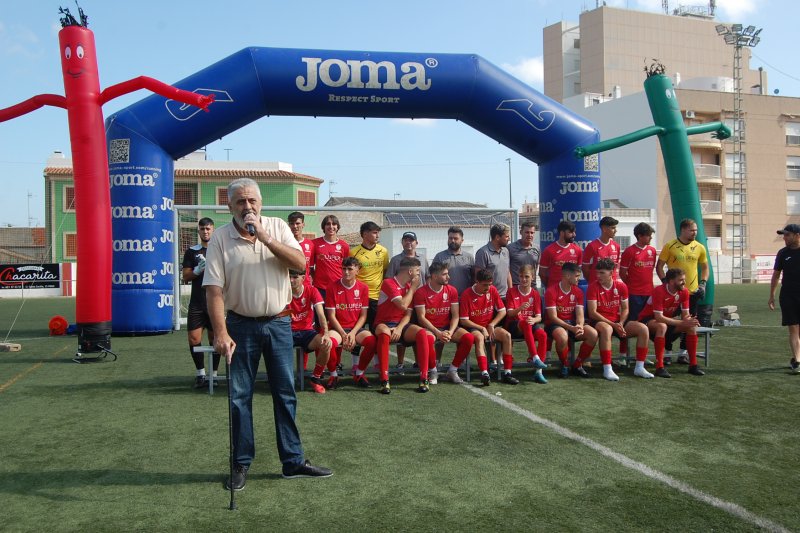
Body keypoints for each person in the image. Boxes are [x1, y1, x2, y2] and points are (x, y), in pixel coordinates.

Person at [203, 178, 331, 492]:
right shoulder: (220, 238)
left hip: (278, 323)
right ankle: (241, 464)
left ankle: (292, 461)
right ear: (229, 205)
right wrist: (220, 332)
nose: (248, 207)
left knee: (285, 394)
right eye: (241, 202)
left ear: (261, 203)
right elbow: (214, 291)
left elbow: (300, 263)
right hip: (240, 326)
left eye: (252, 202)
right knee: (239, 398)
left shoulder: (276, 227)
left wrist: (264, 237)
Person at [374, 257, 434, 394]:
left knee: (422, 333)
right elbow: (402, 305)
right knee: (384, 333)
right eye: (418, 271)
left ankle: (424, 377)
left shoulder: (408, 288)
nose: (419, 275)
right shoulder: (388, 283)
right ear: (410, 271)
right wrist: (413, 288)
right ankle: (384, 379)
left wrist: (399, 328)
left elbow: (407, 314)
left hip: (401, 324)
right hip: (383, 323)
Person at [587, 258, 654, 381]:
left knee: (643, 329)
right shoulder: (593, 287)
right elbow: (592, 313)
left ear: (611, 272)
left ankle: (639, 367)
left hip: (617, 321)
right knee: (606, 329)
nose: (598, 276)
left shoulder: (621, 286)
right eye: (597, 272)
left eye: (602, 273)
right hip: (600, 321)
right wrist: (613, 324)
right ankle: (607, 368)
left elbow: (625, 309)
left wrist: (621, 323)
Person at [413, 261, 477, 385]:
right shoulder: (421, 292)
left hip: (447, 327)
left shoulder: (451, 290)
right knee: (429, 339)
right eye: (445, 274)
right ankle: (433, 371)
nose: (448, 277)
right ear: (435, 276)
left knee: (468, 338)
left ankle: (452, 370)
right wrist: (437, 332)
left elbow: (455, 316)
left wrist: (450, 332)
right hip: (430, 328)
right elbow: (421, 318)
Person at [656, 218, 709, 362]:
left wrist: (703, 283)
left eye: (696, 230)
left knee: (689, 322)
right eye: (692, 230)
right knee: (669, 323)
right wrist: (665, 283)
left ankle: (682, 353)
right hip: (673, 293)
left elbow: (705, 267)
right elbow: (659, 266)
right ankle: (667, 352)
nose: (695, 233)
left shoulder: (700, 247)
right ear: (683, 230)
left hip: (691, 293)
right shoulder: (670, 246)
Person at [637, 268, 705, 378]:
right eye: (681, 280)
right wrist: (682, 322)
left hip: (666, 320)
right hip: (648, 320)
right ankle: (660, 367)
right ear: (671, 281)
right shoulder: (659, 290)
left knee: (691, 328)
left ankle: (693, 365)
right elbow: (658, 317)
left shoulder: (684, 291)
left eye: (684, 279)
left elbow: (685, 315)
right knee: (662, 326)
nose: (684, 282)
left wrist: (690, 321)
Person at [324, 257, 378, 389]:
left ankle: (359, 374)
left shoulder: (363, 288)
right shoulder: (332, 286)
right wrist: (343, 334)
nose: (346, 272)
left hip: (355, 329)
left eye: (350, 269)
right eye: (344, 269)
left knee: (372, 341)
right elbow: (331, 316)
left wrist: (353, 333)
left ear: (357, 270)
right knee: (328, 343)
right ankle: (333, 375)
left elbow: (363, 315)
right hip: (337, 328)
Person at [459, 268, 518, 386]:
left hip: (489, 325)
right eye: (485, 285)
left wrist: (492, 324)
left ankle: (507, 373)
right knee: (480, 338)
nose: (488, 288)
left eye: (490, 284)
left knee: (507, 335)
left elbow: (502, 311)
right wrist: (481, 328)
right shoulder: (467, 294)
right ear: (477, 282)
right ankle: (484, 373)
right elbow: (464, 320)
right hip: (474, 327)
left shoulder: (492, 290)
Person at [288, 269, 341, 394]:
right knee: (275, 347)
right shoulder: (283, 291)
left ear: (303, 277)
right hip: (287, 331)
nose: (291, 280)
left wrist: (326, 334)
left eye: (295, 277)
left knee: (325, 344)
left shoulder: (311, 290)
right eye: (289, 277)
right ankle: (282, 380)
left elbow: (321, 314)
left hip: (306, 331)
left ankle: (315, 378)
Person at [544, 262, 598, 378]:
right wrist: (571, 328)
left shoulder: (578, 291)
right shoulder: (551, 291)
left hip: (572, 323)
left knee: (593, 334)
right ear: (568, 276)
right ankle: (565, 364)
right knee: (563, 336)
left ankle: (577, 365)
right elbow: (553, 317)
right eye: (577, 276)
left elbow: (580, 313)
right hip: (554, 324)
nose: (579, 278)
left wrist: (579, 325)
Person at [385, 231, 429, 371]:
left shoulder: (423, 259)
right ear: (402, 242)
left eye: (411, 240)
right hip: (402, 301)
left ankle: (419, 361)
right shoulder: (396, 260)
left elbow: (427, 278)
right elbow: (389, 279)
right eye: (405, 240)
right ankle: (400, 362)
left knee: (418, 331)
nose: (408, 242)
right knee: (402, 331)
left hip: (420, 301)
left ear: (417, 243)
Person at [182, 217, 218, 388]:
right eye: (203, 229)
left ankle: (215, 374)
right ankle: (200, 374)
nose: (205, 231)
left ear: (213, 230)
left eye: (208, 228)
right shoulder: (191, 252)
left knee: (215, 338)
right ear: (199, 231)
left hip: (216, 301)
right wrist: (198, 270)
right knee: (193, 338)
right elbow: (186, 277)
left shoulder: (219, 250)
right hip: (197, 303)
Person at [504, 264, 549, 384]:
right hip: (514, 326)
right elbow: (509, 313)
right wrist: (520, 309)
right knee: (525, 323)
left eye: (527, 277)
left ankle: (539, 372)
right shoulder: (512, 291)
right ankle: (535, 357)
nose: (523, 279)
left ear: (533, 277)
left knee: (543, 335)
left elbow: (539, 317)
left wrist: (534, 320)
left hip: (529, 324)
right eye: (521, 276)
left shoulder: (535, 294)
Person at [768, 224, 800, 374]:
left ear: (797, 235)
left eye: (787, 234)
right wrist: (772, 296)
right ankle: (797, 361)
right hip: (788, 296)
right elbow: (776, 275)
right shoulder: (782, 253)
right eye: (784, 235)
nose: (784, 237)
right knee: (793, 328)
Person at [349, 221, 389, 329]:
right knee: (356, 327)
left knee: (375, 328)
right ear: (365, 234)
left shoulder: (383, 251)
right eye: (375, 233)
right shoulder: (353, 252)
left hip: (376, 297)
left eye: (378, 233)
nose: (378, 236)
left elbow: (385, 271)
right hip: (359, 296)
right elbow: (350, 275)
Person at [620, 222, 658, 326]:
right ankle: (627, 341)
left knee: (649, 321)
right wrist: (631, 285)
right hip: (634, 293)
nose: (651, 237)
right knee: (633, 321)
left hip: (649, 292)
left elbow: (650, 269)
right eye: (648, 235)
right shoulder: (629, 251)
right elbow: (622, 272)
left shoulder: (652, 251)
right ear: (640, 236)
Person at [311, 214, 350, 299]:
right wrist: (316, 280)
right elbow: (310, 267)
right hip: (320, 287)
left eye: (334, 224)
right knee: (320, 312)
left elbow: (347, 267)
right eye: (328, 224)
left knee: (337, 312)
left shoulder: (344, 246)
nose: (331, 226)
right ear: (323, 227)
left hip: (338, 286)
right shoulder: (314, 243)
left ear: (337, 227)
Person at [539, 220, 583, 289]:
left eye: (574, 232)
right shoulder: (549, 250)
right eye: (571, 232)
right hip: (554, 292)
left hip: (572, 291)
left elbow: (578, 272)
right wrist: (551, 286)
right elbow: (542, 273)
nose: (574, 235)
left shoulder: (578, 250)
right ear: (562, 233)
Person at [432, 226, 475, 295]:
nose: (452, 240)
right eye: (450, 238)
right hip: (445, 298)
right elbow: (433, 278)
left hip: (465, 298)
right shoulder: (439, 257)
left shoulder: (469, 257)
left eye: (456, 238)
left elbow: (474, 278)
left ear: (462, 240)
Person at [474, 223, 512, 298]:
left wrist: (510, 291)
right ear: (497, 237)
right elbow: (479, 277)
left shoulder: (505, 251)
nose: (509, 239)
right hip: (490, 298)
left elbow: (507, 272)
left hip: (505, 297)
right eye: (507, 236)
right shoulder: (483, 252)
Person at [582, 216, 621, 285]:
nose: (616, 230)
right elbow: (585, 269)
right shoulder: (592, 246)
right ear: (604, 229)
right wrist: (593, 281)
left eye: (615, 228)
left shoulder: (616, 246)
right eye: (613, 228)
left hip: (612, 286)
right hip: (596, 287)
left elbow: (616, 267)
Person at [507, 222, 540, 288]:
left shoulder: (537, 248)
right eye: (527, 232)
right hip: (516, 287)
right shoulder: (510, 248)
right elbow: (506, 270)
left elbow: (535, 267)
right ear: (521, 232)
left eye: (532, 233)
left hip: (532, 287)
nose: (529, 235)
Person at [287, 211, 314, 280]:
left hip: (306, 285)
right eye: (292, 223)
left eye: (297, 223)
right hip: (289, 284)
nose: (295, 226)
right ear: (288, 225)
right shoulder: (285, 244)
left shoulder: (311, 244)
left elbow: (311, 267)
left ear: (303, 224)